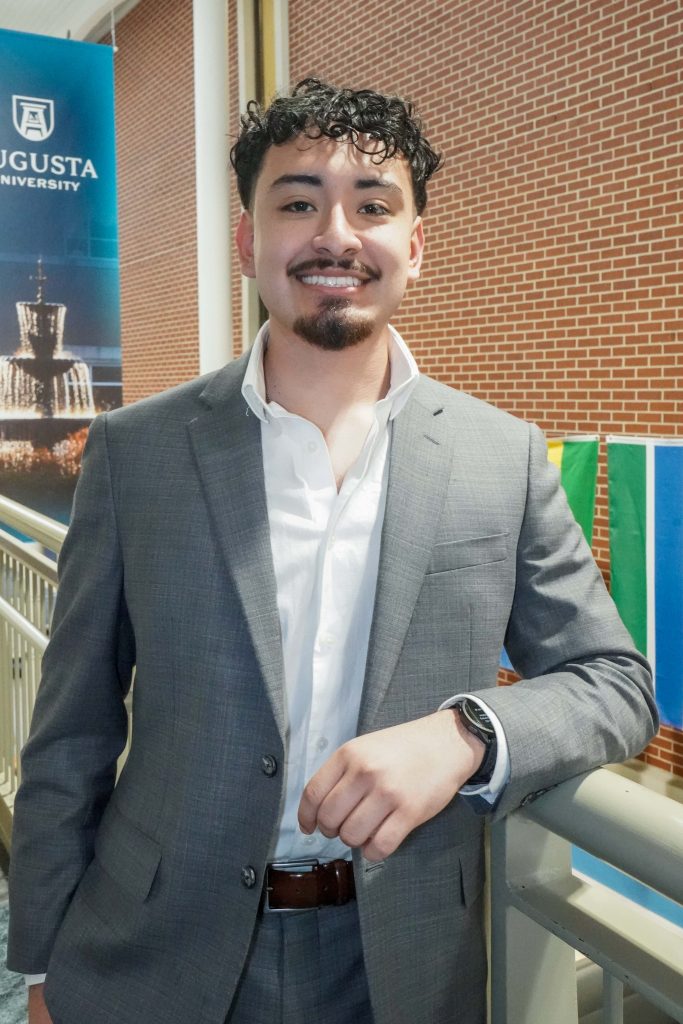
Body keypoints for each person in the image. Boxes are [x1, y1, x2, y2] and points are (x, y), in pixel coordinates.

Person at [7, 78, 657, 1024]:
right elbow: (70, 733)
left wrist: (467, 734)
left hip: (399, 962)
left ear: (416, 246)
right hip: (148, 949)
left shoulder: (499, 455)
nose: (336, 235)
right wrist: (38, 962)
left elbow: (616, 681)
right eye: (299, 201)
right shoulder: (135, 453)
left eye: (374, 206)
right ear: (248, 240)